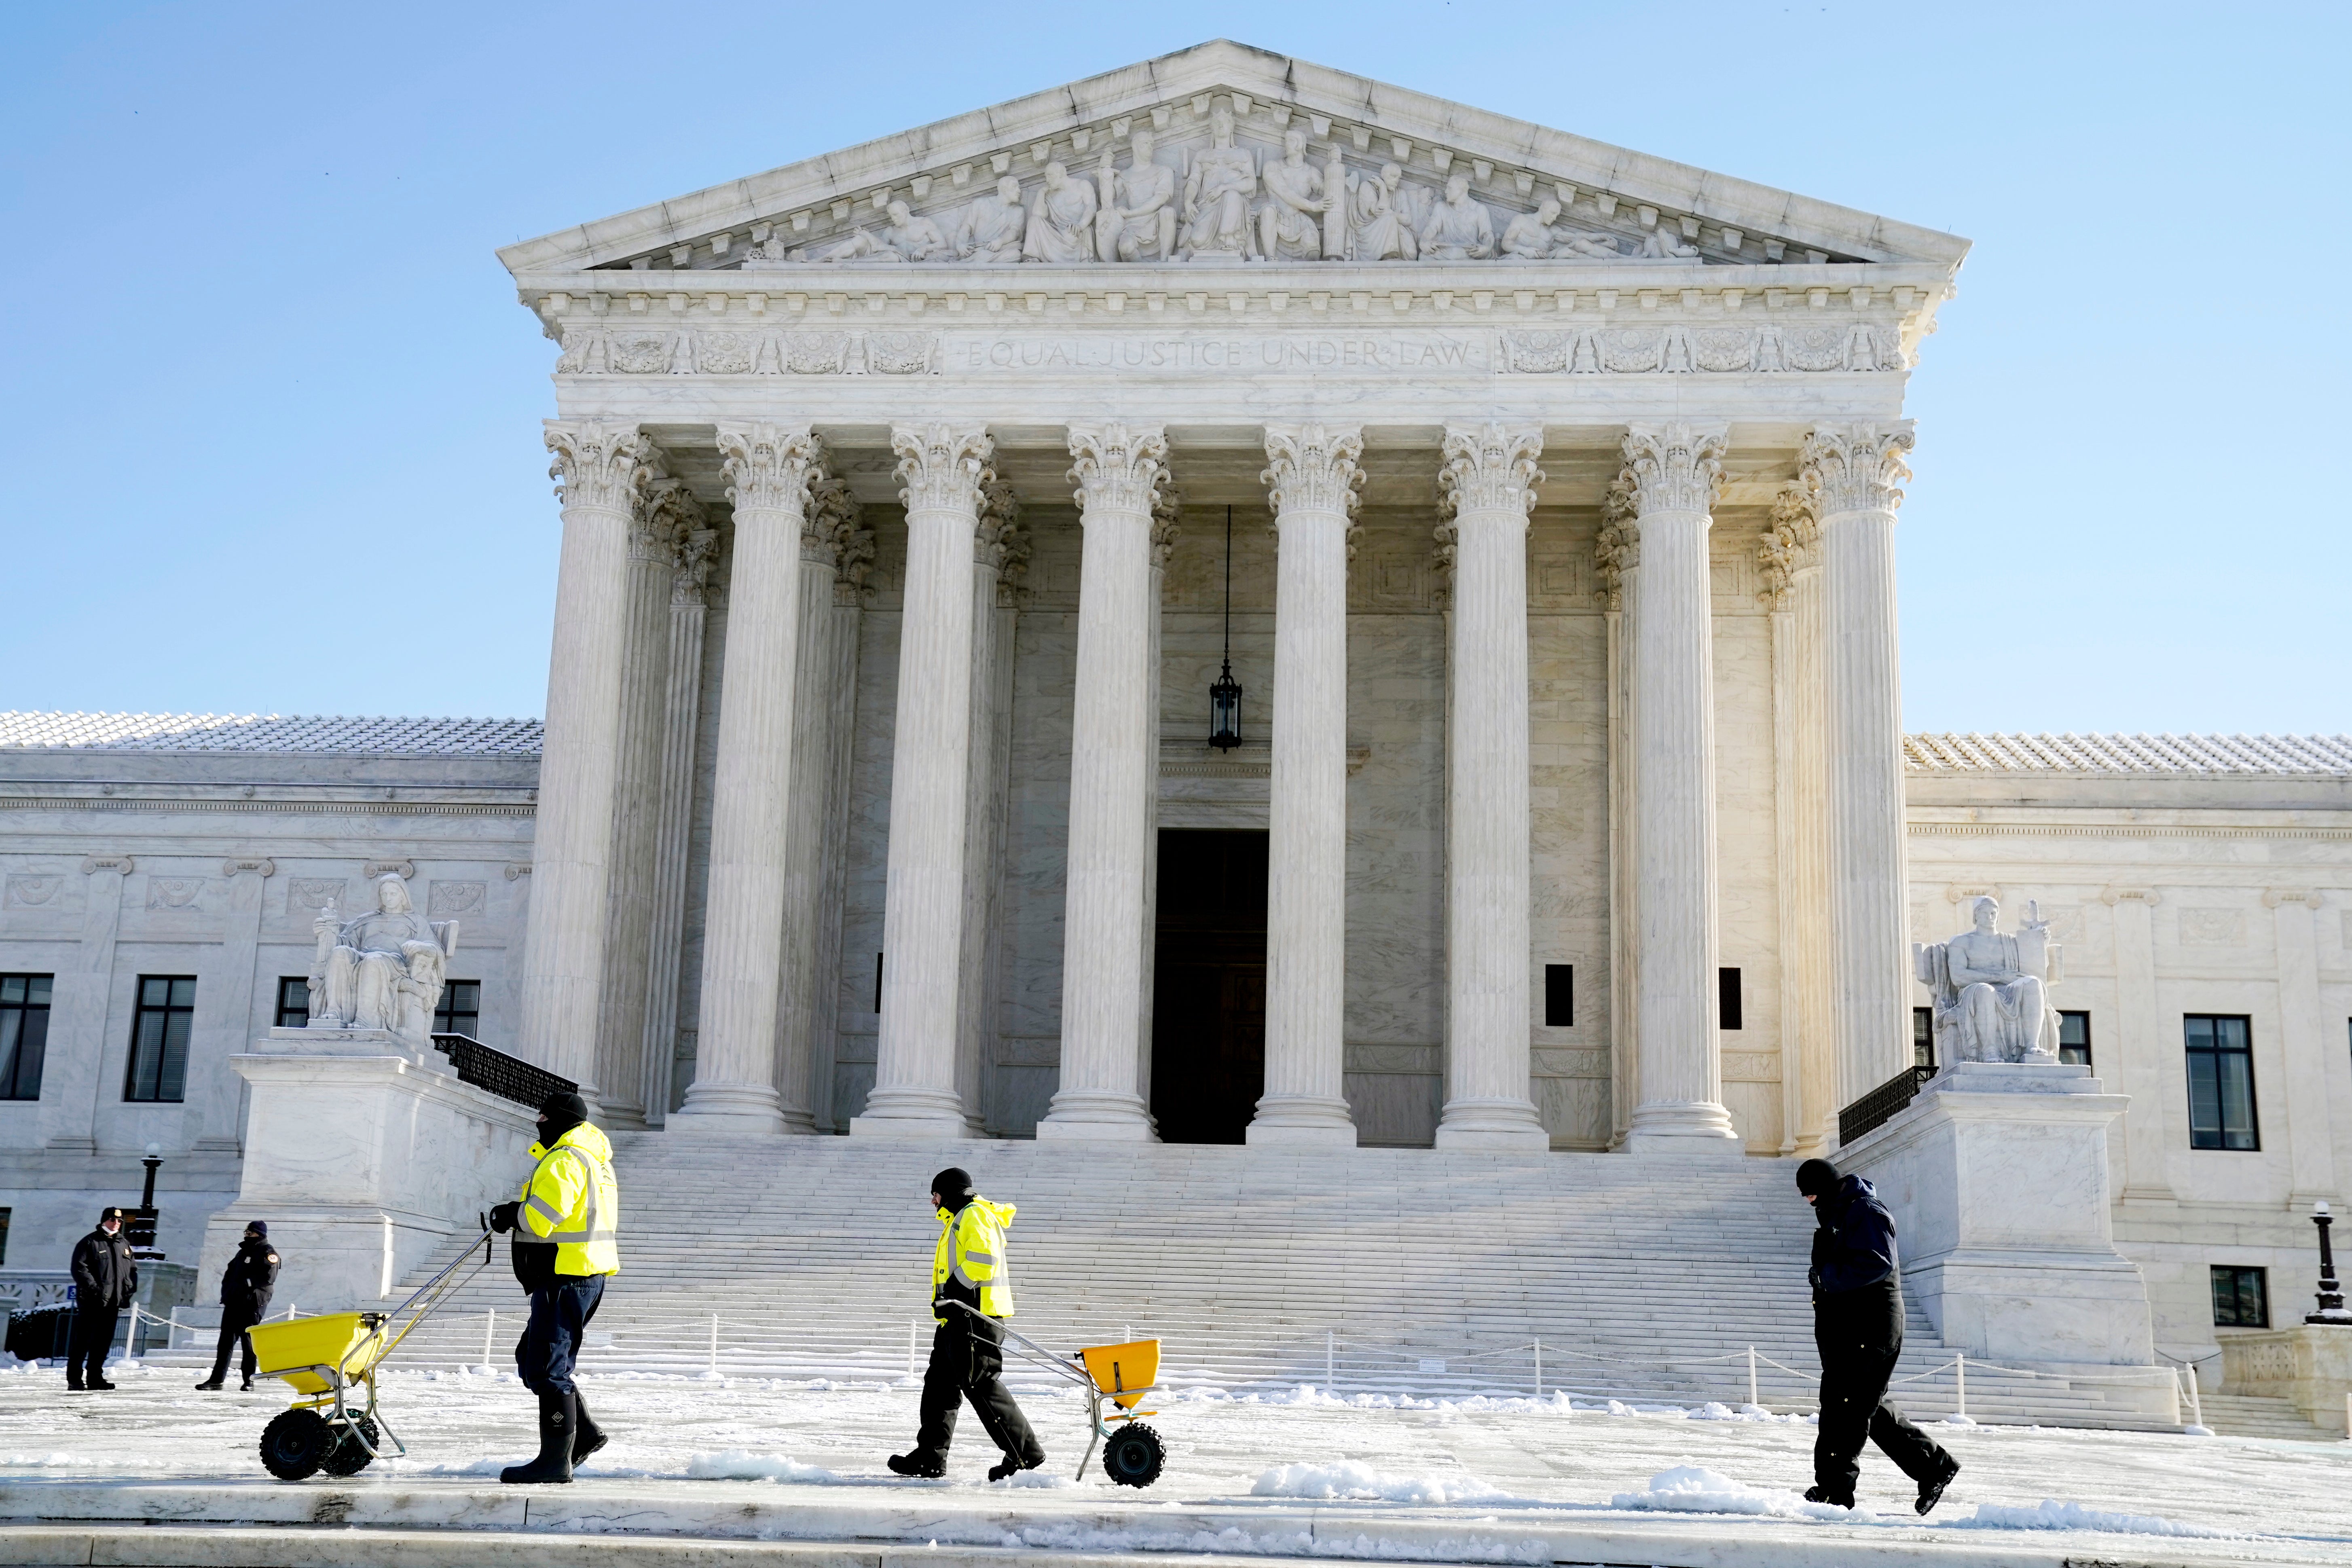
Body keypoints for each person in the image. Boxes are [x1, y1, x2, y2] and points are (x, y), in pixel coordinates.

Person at [1797, 1158, 1960, 1513]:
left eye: (1811, 1194)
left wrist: (1827, 1277)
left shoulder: (1866, 1211)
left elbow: (1877, 1261)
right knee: (1861, 1403)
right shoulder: (1839, 1210)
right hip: (1849, 1325)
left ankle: (1835, 1491)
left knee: (1847, 1407)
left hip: (1868, 1324)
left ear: (1825, 1187)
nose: (1810, 1202)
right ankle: (1934, 1466)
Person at [489, 1090, 620, 1485]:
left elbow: (543, 1218)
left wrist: (509, 1213)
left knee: (547, 1368)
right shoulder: (592, 1158)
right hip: (583, 1273)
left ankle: (555, 1460)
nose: (539, 1121)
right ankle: (584, 1436)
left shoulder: (565, 1158)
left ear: (560, 1119)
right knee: (533, 1356)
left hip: (565, 1274)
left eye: (544, 1116)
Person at [888, 1167, 1045, 1481]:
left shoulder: (973, 1215)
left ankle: (1024, 1453)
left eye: (936, 1194)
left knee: (981, 1384)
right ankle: (929, 1458)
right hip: (956, 1318)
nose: (933, 1201)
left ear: (950, 1191)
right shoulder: (959, 1218)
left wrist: (956, 1287)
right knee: (939, 1389)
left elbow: (983, 1259)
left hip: (975, 1317)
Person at [196, 1221, 279, 1391]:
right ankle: (216, 1380)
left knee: (248, 1344)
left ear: (260, 1234)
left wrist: (245, 1284)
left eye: (251, 1233)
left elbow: (268, 1278)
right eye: (246, 1233)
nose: (247, 1236)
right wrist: (227, 1293)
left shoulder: (268, 1252)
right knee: (225, 1344)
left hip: (252, 1303)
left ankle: (249, 1380)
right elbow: (230, 1275)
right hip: (234, 1303)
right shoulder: (242, 1252)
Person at [67, 1206, 137, 1392]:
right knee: (83, 1341)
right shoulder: (90, 1242)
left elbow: (132, 1270)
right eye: (112, 1220)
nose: (116, 1224)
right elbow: (79, 1269)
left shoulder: (124, 1243)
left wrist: (129, 1290)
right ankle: (75, 1379)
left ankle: (95, 1377)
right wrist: (95, 1290)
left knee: (103, 1342)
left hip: (113, 1302)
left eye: (119, 1221)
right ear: (104, 1221)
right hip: (92, 1302)